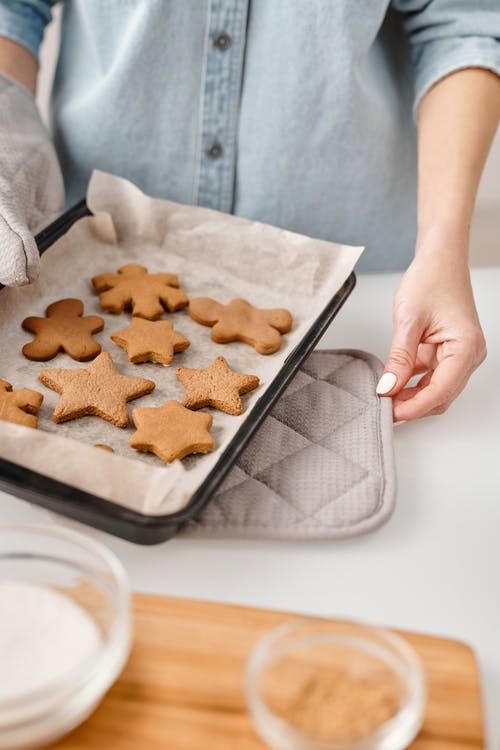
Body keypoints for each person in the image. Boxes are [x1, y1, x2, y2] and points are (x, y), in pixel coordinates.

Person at [0, 1, 498, 422]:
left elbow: (463, 24)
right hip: (89, 254)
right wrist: (6, 162)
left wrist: (443, 243)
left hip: (353, 294)